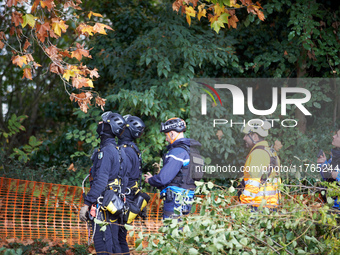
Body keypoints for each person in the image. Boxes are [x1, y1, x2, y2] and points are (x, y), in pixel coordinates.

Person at [79, 111, 128, 255]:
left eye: (102, 122)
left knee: (102, 243)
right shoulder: (120, 151)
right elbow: (124, 180)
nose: (99, 124)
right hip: (116, 203)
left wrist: (86, 205)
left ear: (109, 127)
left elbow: (100, 182)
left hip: (105, 204)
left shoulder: (106, 151)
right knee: (114, 243)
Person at [144, 117, 202, 219]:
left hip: (175, 201)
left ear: (172, 134)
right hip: (188, 199)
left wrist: (150, 180)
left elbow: (163, 178)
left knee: (170, 232)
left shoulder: (177, 152)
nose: (166, 139)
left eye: (166, 135)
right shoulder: (192, 151)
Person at [116, 114, 146, 254]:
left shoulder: (126, 150)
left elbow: (124, 177)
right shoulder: (133, 148)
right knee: (121, 236)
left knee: (118, 237)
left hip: (125, 198)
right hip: (131, 197)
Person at [239, 120, 281, 209]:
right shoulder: (272, 153)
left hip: (257, 206)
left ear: (255, 137)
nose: (244, 138)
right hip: (272, 206)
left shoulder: (257, 154)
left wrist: (242, 204)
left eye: (246, 135)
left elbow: (253, 182)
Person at [317, 128, 340, 209]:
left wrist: (338, 175)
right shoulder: (334, 157)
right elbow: (326, 177)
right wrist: (323, 164)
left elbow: (336, 176)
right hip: (329, 205)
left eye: (337, 135)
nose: (333, 136)